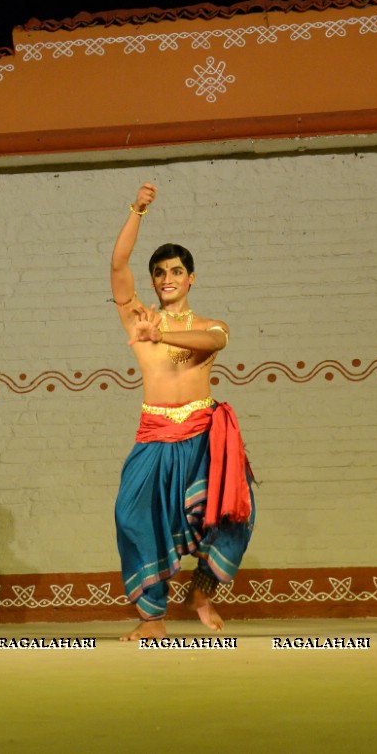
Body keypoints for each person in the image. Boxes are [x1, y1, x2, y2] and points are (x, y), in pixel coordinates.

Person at [109, 183, 256, 641]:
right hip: (154, 432)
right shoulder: (139, 317)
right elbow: (117, 266)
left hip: (202, 434)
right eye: (159, 272)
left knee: (234, 514)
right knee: (131, 516)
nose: (166, 278)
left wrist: (163, 336)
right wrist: (137, 210)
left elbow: (213, 343)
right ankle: (152, 618)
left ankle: (201, 593)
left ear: (192, 277)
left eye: (176, 271)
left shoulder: (210, 326)